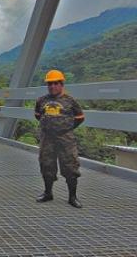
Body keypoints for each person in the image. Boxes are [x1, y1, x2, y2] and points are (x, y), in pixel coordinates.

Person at [34, 70, 85, 208]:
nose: (52, 86)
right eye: (50, 84)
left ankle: (72, 197)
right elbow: (38, 115)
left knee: (70, 166)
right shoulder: (41, 101)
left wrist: (66, 128)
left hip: (65, 138)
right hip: (47, 138)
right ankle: (48, 193)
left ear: (61, 84)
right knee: (46, 165)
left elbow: (80, 117)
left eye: (56, 83)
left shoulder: (70, 101)